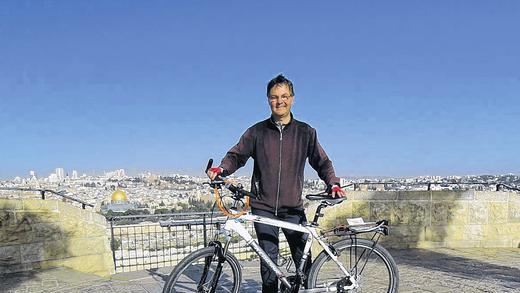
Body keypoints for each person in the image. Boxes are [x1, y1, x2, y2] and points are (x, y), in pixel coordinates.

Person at [207, 74, 346, 292]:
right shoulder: (257, 132)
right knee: (268, 264)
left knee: (303, 260)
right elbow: (236, 155)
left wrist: (333, 183)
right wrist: (222, 169)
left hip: (293, 207)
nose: (279, 101)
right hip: (263, 207)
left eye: (284, 96)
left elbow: (322, 161)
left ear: (292, 98)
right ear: (267, 99)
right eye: (274, 97)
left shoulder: (305, 132)